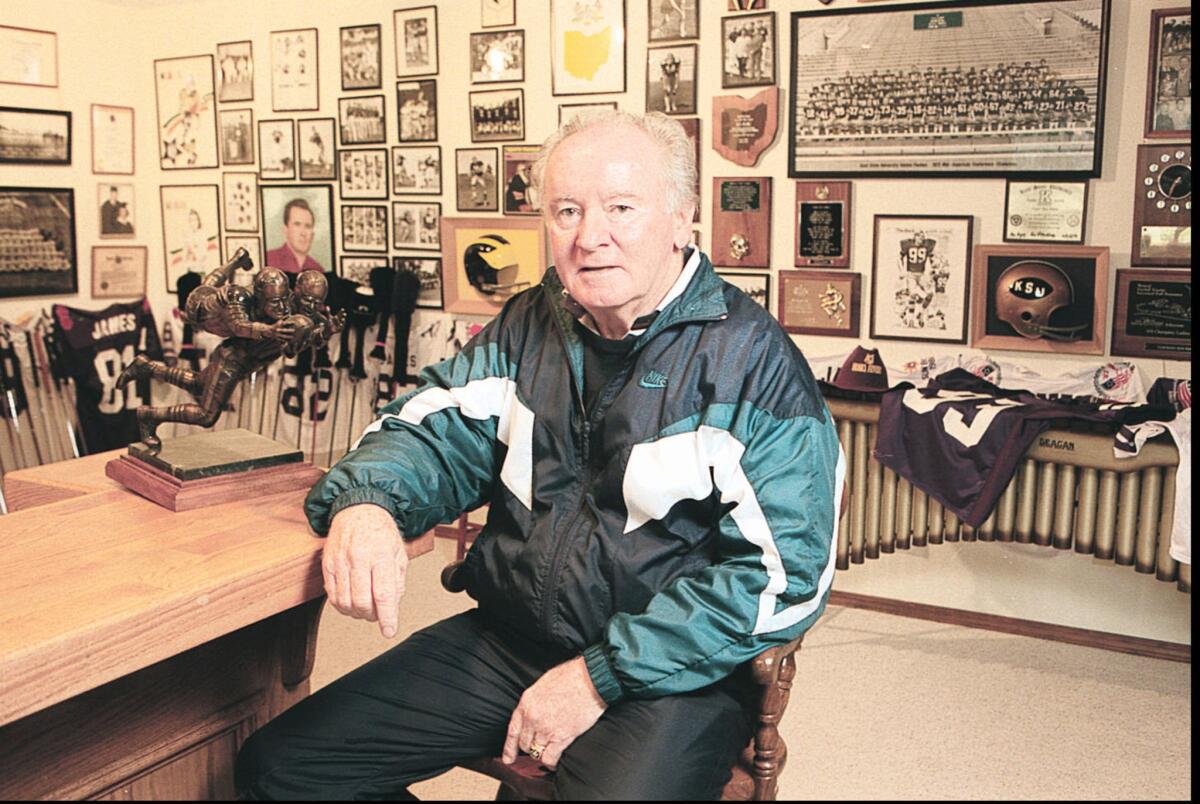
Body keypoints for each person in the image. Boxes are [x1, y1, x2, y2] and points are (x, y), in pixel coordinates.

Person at [234, 111, 842, 800]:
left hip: (672, 673)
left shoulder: (752, 364)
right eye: (568, 210)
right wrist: (370, 501)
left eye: (621, 208)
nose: (591, 237)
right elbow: (429, 427)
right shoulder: (530, 324)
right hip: (514, 636)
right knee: (283, 767)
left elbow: (785, 574)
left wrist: (599, 675)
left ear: (682, 220)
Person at [116, 253, 340, 449]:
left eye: (317, 302)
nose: (310, 306)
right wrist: (271, 330)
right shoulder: (242, 298)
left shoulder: (296, 312)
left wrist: (325, 332)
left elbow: (293, 349)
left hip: (245, 360)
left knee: (198, 384)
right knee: (206, 416)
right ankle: (149, 416)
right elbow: (240, 327)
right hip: (225, 345)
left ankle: (146, 367)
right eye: (308, 300)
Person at [266, 198, 324, 274]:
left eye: (308, 226)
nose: (303, 233)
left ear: (312, 234)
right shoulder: (270, 261)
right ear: (285, 229)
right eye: (297, 224)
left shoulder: (317, 270)